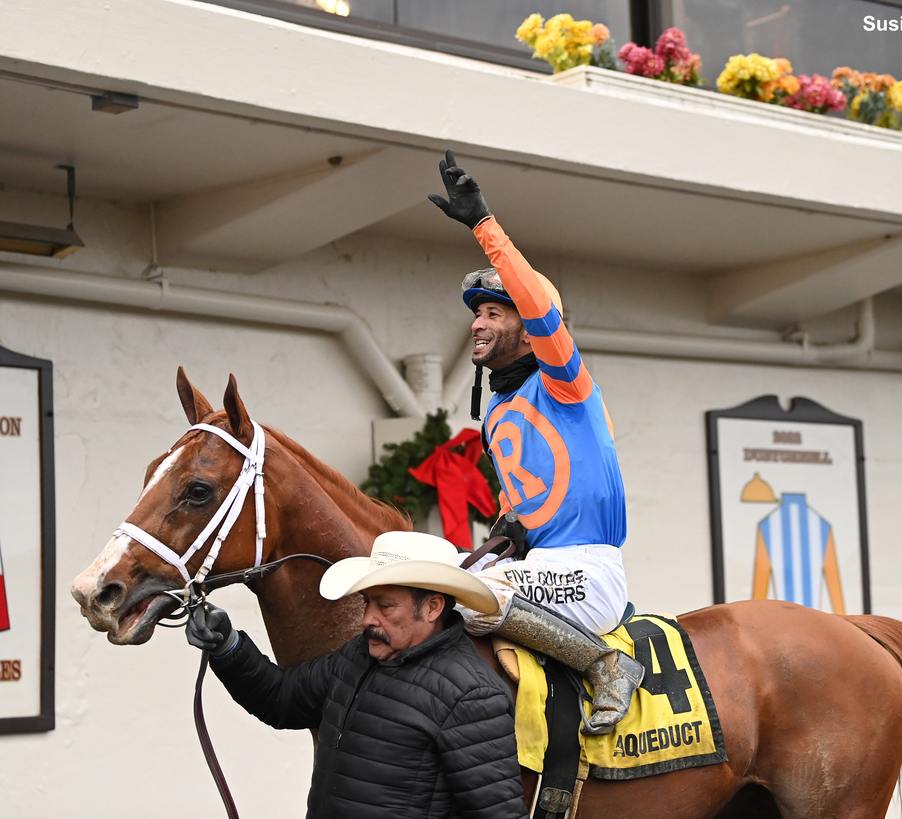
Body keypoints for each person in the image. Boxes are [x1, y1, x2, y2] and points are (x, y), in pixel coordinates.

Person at [428, 150, 643, 735]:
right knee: (430, 568)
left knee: (477, 595)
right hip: (537, 568)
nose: (478, 323)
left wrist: (484, 226)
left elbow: (542, 307)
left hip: (587, 571)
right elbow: (522, 497)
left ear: (527, 331)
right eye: (478, 314)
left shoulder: (565, 382)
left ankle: (607, 665)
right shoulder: (497, 408)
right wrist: (506, 530)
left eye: (496, 313)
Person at [185, 531, 527, 819]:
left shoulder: (470, 694)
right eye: (367, 603)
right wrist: (227, 646)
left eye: (385, 606)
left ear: (433, 607)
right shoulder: (357, 655)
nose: (367, 619)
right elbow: (282, 699)